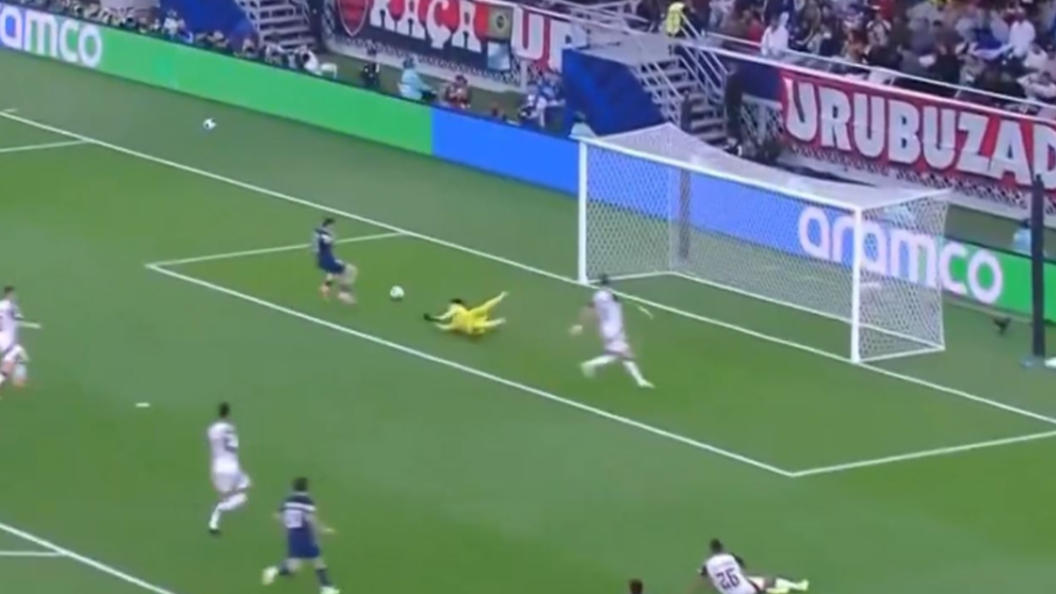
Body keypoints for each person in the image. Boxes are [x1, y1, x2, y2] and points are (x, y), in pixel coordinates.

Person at [570, 275, 653, 388]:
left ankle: (640, 381)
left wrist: (580, 324)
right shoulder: (609, 295)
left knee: (622, 355)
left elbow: (590, 307)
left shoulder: (598, 296)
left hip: (607, 329)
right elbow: (620, 301)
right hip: (614, 330)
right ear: (608, 284)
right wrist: (641, 308)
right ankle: (589, 364)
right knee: (619, 355)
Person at [262, 477, 340, 594]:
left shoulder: (288, 500)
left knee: (293, 566)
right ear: (307, 487)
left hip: (293, 535)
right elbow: (311, 519)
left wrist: (287, 527)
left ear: (293, 487)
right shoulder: (307, 501)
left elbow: (276, 516)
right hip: (305, 535)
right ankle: (327, 588)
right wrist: (323, 530)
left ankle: (273, 570)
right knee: (318, 562)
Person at [695, 538, 808, 594]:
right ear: (722, 548)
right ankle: (798, 586)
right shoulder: (730, 557)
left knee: (757, 584)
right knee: (769, 581)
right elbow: (744, 568)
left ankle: (775, 590)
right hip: (747, 590)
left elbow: (702, 578)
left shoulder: (707, 564)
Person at [207, 402, 251, 535]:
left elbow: (213, 444)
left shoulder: (212, 429)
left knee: (239, 490)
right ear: (228, 414)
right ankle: (219, 511)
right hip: (233, 467)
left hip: (218, 467)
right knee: (242, 494)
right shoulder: (232, 429)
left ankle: (216, 517)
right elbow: (234, 446)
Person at [314, 218, 357, 304]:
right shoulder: (325, 235)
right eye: (332, 226)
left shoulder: (320, 234)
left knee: (335, 272)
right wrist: (332, 238)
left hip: (323, 260)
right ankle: (343, 293)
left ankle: (326, 286)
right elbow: (330, 242)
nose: (333, 228)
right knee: (351, 270)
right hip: (327, 260)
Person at [424, 293, 507, 335]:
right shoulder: (458, 313)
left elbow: (445, 322)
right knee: (485, 309)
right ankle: (500, 297)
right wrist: (435, 321)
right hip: (470, 319)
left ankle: (500, 298)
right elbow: (446, 325)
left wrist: (435, 320)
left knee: (482, 321)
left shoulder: (456, 309)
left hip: (469, 324)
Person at [0, 286, 28, 392]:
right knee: (19, 354)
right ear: (9, 294)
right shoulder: (12, 306)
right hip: (7, 340)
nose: (14, 296)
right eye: (13, 294)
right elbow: (18, 318)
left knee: (14, 356)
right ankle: (18, 379)